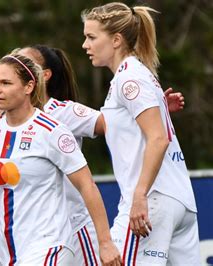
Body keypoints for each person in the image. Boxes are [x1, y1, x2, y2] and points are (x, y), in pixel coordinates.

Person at [0, 53, 122, 265]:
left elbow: (87, 185)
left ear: (29, 87)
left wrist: (105, 242)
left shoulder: (52, 131)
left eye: (6, 83)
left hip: (51, 245)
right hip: (12, 250)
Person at [81, 2, 200, 265]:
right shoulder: (136, 73)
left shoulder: (129, 78)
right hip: (180, 200)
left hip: (153, 199)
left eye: (91, 37)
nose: (85, 45)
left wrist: (140, 195)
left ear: (115, 40)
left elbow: (158, 138)